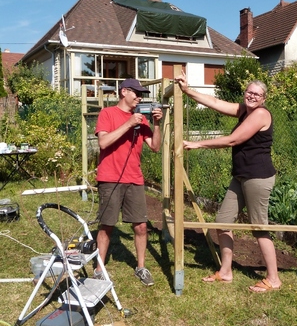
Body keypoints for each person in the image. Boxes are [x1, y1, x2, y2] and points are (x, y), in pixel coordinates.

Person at [174, 72, 281, 293]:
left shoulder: (260, 114)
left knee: (259, 227)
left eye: (257, 94)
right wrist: (187, 90)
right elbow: (214, 102)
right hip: (241, 175)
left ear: (263, 99)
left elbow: (234, 140)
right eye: (249, 92)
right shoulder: (244, 110)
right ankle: (225, 271)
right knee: (223, 222)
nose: (252, 96)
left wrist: (198, 144)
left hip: (258, 177)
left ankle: (273, 279)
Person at [93, 78, 163, 286]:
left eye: (141, 94)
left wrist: (157, 124)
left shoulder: (141, 120)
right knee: (107, 225)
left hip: (134, 178)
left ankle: (141, 267)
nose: (139, 97)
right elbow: (103, 142)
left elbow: (155, 147)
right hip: (110, 178)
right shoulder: (108, 114)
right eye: (136, 93)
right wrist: (129, 123)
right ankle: (99, 269)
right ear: (124, 92)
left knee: (141, 225)